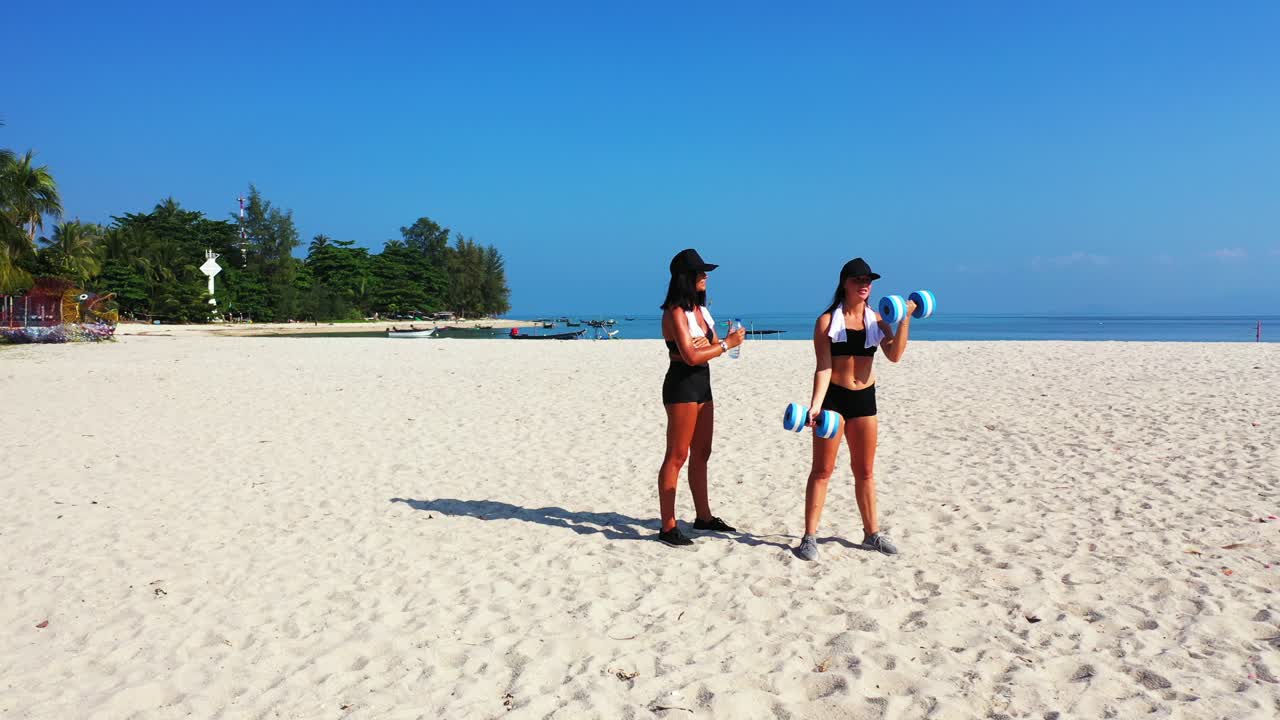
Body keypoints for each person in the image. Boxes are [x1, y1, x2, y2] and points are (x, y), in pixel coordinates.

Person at [796, 258, 913, 560]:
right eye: (858, 280)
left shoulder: (876, 319)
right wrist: (815, 406)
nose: (865, 285)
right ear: (844, 283)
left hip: (864, 401)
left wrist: (905, 319)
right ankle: (809, 537)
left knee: (865, 471)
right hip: (834, 400)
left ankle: (871, 534)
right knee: (822, 470)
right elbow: (823, 367)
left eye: (869, 281)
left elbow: (895, 354)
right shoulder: (826, 322)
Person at [656, 248, 746, 547]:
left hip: (701, 383)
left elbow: (706, 346)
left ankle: (703, 517)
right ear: (685, 277)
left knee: (702, 452)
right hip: (681, 385)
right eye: (699, 271)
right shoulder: (675, 312)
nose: (705, 276)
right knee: (677, 455)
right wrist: (723, 345)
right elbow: (693, 354)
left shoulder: (701, 311)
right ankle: (668, 526)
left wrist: (715, 344)